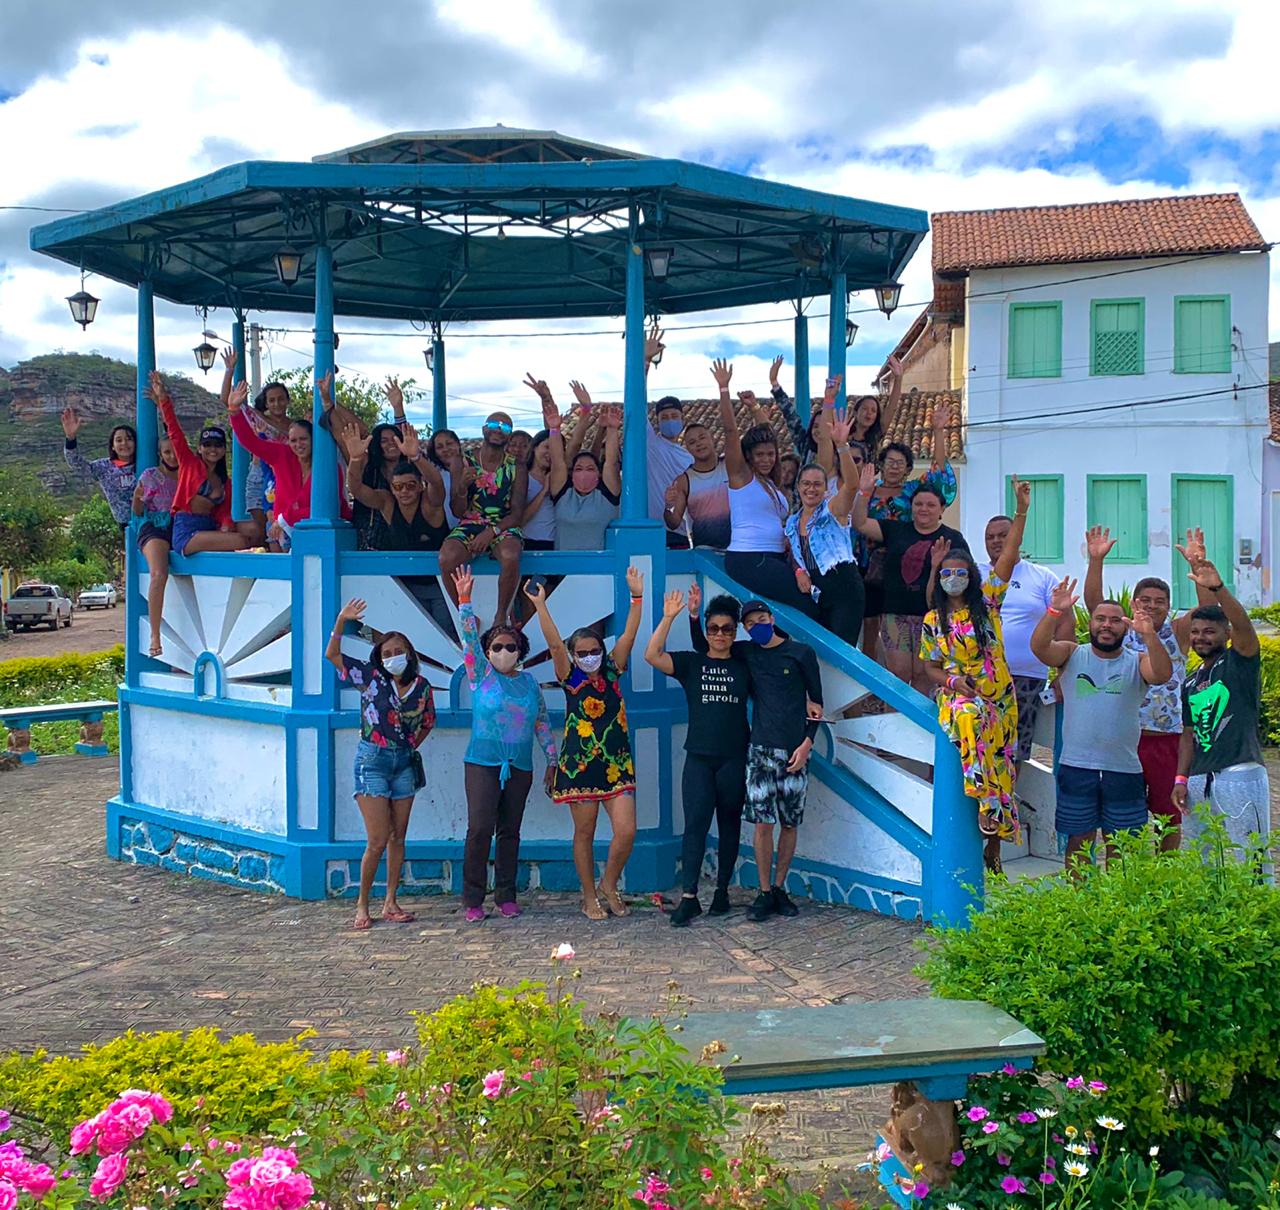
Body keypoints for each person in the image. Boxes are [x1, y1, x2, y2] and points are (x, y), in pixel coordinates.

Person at [688, 588, 823, 922]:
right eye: (749, 624)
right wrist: (693, 616)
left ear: (772, 620)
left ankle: (780, 888)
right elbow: (705, 646)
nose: (756, 627)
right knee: (763, 824)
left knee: (789, 824)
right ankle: (763, 892)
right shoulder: (746, 653)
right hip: (761, 749)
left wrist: (807, 744)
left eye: (761, 621)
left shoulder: (801, 654)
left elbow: (817, 706)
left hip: (796, 751)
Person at [921, 479, 1030, 872]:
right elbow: (930, 668)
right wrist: (952, 682)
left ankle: (995, 846)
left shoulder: (988, 604)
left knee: (1004, 763)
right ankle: (985, 805)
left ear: (971, 576)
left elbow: (1010, 556)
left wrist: (1021, 511)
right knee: (969, 717)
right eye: (947, 573)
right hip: (959, 698)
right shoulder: (934, 620)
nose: (954, 578)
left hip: (1000, 698)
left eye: (960, 572)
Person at [1030, 578, 1173, 872]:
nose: (1107, 625)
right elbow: (1040, 648)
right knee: (1079, 842)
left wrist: (1149, 636)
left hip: (1124, 770)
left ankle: (1117, 906)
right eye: (1100, 619)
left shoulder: (1138, 661)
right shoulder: (1072, 654)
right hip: (1076, 767)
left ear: (1125, 625)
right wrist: (1054, 612)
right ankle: (1081, 905)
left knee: (1121, 845)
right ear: (1091, 623)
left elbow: (1161, 674)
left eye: (1115, 620)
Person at [526, 568, 644, 921]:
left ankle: (610, 883)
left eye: (594, 650)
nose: (589, 656)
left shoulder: (613, 668)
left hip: (616, 764)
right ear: (574, 654)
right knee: (585, 832)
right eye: (582, 652)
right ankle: (589, 895)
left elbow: (630, 634)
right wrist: (541, 607)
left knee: (626, 830)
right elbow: (552, 644)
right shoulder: (569, 675)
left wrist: (637, 598)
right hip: (578, 765)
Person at [1084, 526, 1210, 852]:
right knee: (1120, 817)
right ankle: (1125, 875)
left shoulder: (1179, 631)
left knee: (1168, 816)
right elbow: (1094, 602)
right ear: (1133, 602)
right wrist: (1096, 560)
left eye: (1159, 601)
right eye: (1145, 600)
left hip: (1168, 740)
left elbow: (1209, 611)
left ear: (1168, 605)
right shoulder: (1121, 631)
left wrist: (1198, 566)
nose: (1152, 606)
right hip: (1126, 740)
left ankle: (1164, 874)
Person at [452, 567, 557, 921]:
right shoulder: (480, 676)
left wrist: (552, 762)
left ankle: (507, 895)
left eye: (510, 647)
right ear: (487, 652)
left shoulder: (530, 685)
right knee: (479, 829)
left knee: (510, 832)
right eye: (496, 647)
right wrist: (464, 601)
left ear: (520, 650)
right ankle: (472, 899)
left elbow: (542, 723)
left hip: (520, 767)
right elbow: (469, 639)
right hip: (482, 764)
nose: (504, 651)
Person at [325, 597, 436, 930]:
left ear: (410, 654)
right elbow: (332, 655)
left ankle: (390, 901)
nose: (393, 658)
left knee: (397, 838)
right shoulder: (371, 678)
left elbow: (429, 720)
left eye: (398, 652)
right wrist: (341, 621)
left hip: (403, 762)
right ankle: (362, 904)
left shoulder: (422, 687)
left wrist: (408, 745)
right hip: (372, 759)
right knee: (377, 838)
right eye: (387, 653)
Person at [645, 590, 751, 926]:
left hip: (734, 756)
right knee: (695, 826)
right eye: (714, 629)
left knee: (729, 825)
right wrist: (669, 616)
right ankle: (689, 895)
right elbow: (652, 654)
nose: (720, 635)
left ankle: (722, 890)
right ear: (706, 631)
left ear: (736, 632)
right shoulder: (693, 663)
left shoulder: (745, 664)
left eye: (727, 629)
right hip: (699, 759)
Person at [1173, 556, 1272, 876]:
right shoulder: (1190, 680)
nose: (1201, 637)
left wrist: (1217, 588)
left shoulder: (1239, 663)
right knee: (1202, 860)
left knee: (1252, 859)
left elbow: (1242, 624)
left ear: (1226, 634)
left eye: (1210, 631)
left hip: (1239, 772)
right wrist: (1181, 779)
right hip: (1200, 779)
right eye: (1196, 632)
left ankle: (1259, 919)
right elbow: (1187, 734)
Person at [714, 358, 818, 619]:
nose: (766, 459)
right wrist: (724, 390)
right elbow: (729, 432)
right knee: (805, 601)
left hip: (773, 556)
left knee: (808, 600)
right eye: (759, 455)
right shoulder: (741, 477)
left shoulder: (773, 484)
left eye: (770, 454)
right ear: (748, 456)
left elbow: (768, 434)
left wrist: (755, 408)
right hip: (749, 557)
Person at [851, 464, 968, 694]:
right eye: (919, 504)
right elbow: (860, 523)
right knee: (898, 676)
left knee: (924, 676)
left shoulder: (953, 538)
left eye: (931, 505)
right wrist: (864, 492)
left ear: (942, 509)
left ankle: (920, 730)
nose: (924, 509)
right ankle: (890, 727)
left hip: (933, 617)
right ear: (911, 507)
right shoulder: (896, 529)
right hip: (896, 613)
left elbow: (965, 580)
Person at [858, 403, 957, 663]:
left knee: (901, 630)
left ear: (908, 468)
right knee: (869, 628)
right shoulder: (867, 489)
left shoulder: (914, 490)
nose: (893, 467)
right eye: (889, 462)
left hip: (905, 565)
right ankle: (870, 691)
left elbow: (940, 476)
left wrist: (938, 431)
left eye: (900, 463)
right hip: (868, 565)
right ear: (881, 464)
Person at [978, 511, 1071, 778]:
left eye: (1003, 535)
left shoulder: (1042, 577)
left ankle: (1004, 810)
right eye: (990, 537)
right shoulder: (974, 574)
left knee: (1013, 749)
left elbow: (1065, 625)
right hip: (981, 676)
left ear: (1017, 537)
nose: (996, 541)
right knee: (981, 745)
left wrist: (1062, 674)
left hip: (1026, 677)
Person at [227, 376, 349, 548]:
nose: (298, 445)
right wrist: (234, 411)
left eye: (303, 439)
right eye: (293, 441)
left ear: (313, 439)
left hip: (318, 535)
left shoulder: (328, 466)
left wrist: (284, 519)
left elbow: (326, 507)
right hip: (282, 533)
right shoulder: (282, 454)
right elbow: (250, 442)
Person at [784, 409, 865, 649]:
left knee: (842, 652)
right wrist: (799, 571)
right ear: (798, 487)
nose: (811, 489)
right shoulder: (791, 522)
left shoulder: (832, 510)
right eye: (806, 484)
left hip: (844, 587)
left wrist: (842, 446)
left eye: (817, 484)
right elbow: (797, 555)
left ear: (825, 488)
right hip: (818, 592)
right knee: (820, 652)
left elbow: (852, 485)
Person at [438, 411, 527, 627]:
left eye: (505, 427)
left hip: (502, 525)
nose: (498, 429)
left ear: (509, 435)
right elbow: (457, 510)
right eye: (493, 424)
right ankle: (466, 613)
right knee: (446, 558)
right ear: (484, 429)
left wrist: (491, 532)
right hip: (470, 522)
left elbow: (517, 513)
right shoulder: (463, 461)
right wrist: (461, 488)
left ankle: (500, 615)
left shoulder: (516, 466)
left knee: (510, 555)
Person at [148, 372, 249, 555]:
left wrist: (226, 525)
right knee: (241, 541)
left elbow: (223, 511)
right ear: (200, 448)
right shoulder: (189, 464)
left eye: (218, 445)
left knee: (255, 531)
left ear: (224, 449)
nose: (213, 449)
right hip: (187, 529)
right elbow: (175, 432)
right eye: (207, 445)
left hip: (210, 525)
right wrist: (163, 400)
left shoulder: (224, 480)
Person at [528, 376, 621, 549]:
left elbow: (611, 462)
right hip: (562, 572)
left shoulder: (608, 495)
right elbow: (557, 461)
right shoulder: (563, 493)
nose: (584, 473)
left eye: (590, 469)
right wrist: (554, 429)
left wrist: (612, 429)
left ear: (598, 473)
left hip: (600, 572)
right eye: (578, 468)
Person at [766, 353, 903, 466]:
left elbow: (891, 409)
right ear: (855, 412)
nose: (869, 413)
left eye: (873, 411)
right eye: (865, 409)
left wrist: (898, 378)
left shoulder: (874, 437)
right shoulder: (824, 441)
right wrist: (775, 384)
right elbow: (792, 417)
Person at [641, 324, 695, 545]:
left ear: (682, 419)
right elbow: (637, 400)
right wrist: (645, 362)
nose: (670, 420)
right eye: (664, 417)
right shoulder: (650, 443)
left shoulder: (689, 459)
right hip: (649, 530)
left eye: (674, 415)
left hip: (678, 533)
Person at [131, 435, 180, 657]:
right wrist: (137, 499)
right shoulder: (150, 476)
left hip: (179, 526)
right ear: (160, 454)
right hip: (154, 526)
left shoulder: (188, 474)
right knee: (159, 574)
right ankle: (155, 634)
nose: (172, 456)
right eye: (167, 452)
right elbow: (138, 511)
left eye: (175, 451)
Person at [60, 407, 136, 527]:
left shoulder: (146, 462)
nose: (124, 444)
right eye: (119, 440)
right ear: (112, 446)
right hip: (126, 525)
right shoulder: (104, 467)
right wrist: (70, 438)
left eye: (129, 439)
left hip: (152, 520)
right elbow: (76, 464)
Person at [664, 422, 730, 551]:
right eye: (692, 442)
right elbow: (674, 523)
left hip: (739, 549)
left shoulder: (730, 466)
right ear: (687, 448)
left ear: (712, 438)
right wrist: (668, 506)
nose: (698, 444)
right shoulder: (683, 481)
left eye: (702, 438)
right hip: (705, 552)